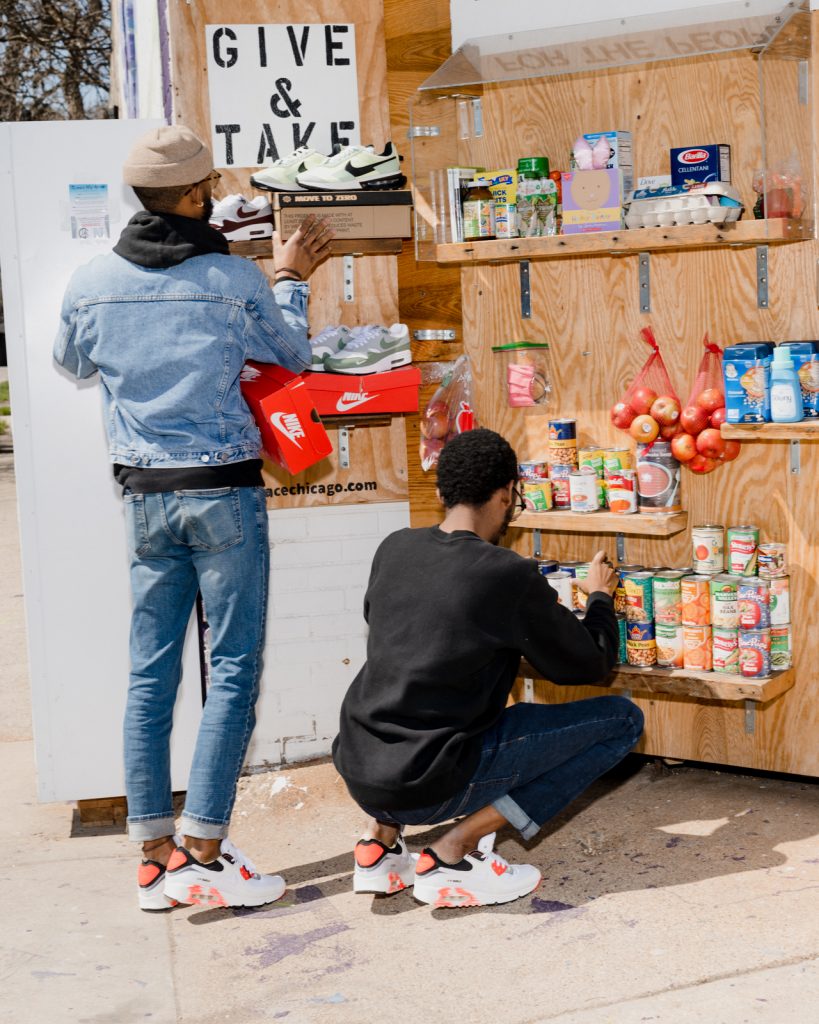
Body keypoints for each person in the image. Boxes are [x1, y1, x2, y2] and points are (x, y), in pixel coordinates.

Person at [54, 125, 332, 911]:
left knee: (150, 676)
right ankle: (203, 853)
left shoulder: (88, 281)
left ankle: (152, 858)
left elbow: (73, 361)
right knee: (233, 668)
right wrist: (287, 276)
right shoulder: (232, 279)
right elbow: (295, 356)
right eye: (204, 186)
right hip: (224, 495)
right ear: (189, 196)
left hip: (146, 498)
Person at [332, 428, 644, 909]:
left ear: (441, 492)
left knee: (423, 698)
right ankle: (452, 852)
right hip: (427, 781)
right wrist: (600, 596)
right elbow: (589, 663)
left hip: (358, 765)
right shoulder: (505, 573)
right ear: (506, 495)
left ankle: (378, 847)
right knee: (622, 722)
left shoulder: (394, 547)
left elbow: (407, 638)